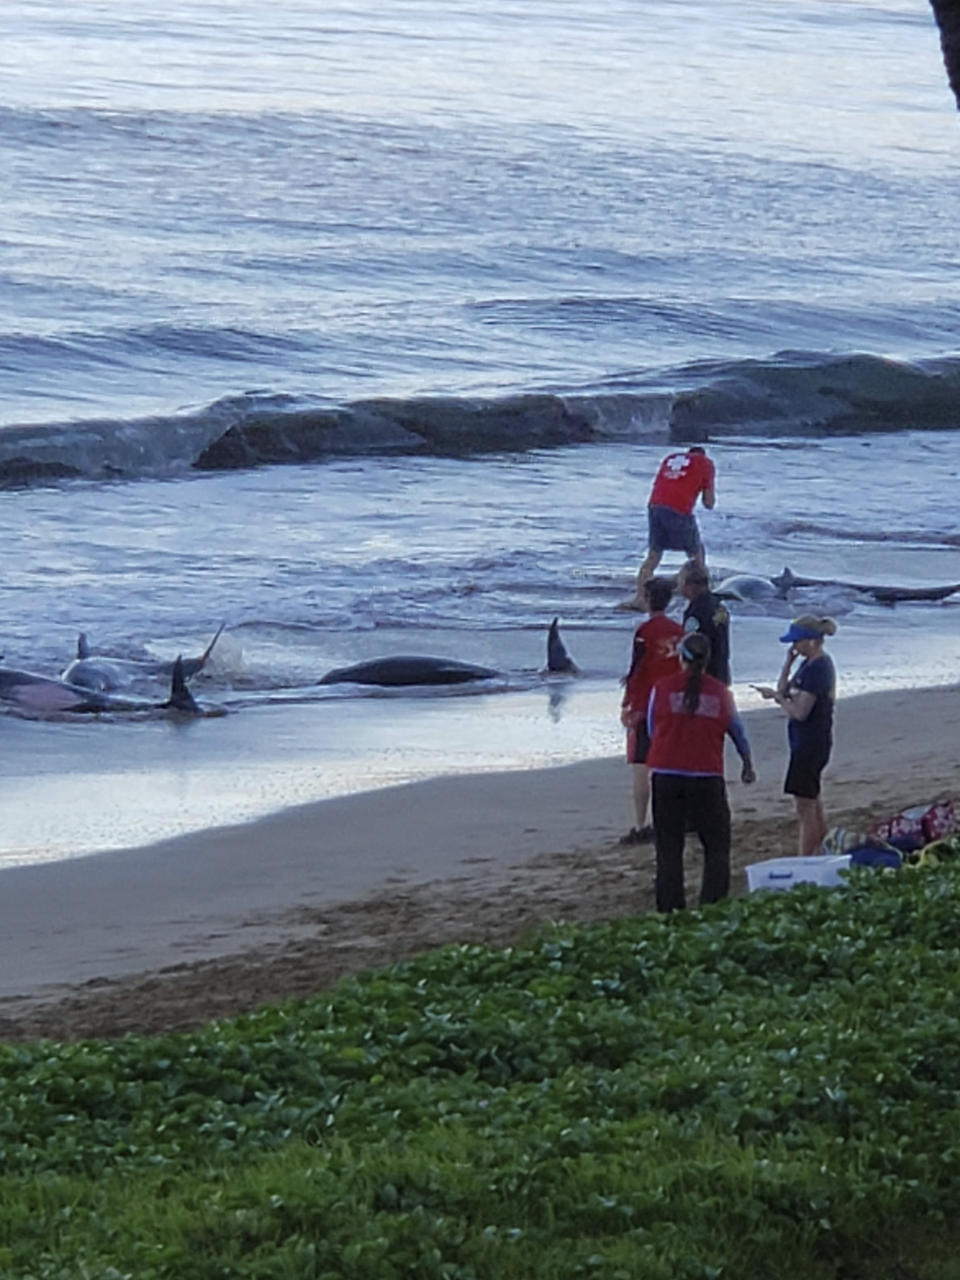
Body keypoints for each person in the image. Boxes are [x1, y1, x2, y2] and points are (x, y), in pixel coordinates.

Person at [646, 632, 755, 912]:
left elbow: (652, 728)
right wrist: (746, 762)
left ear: (681, 658)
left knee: (668, 849)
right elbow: (737, 732)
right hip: (706, 775)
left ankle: (670, 910)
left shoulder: (662, 688)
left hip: (667, 773)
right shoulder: (720, 693)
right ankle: (712, 905)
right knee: (716, 846)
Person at [755, 615, 837, 857]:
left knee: (805, 808)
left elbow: (800, 712)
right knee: (813, 800)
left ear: (811, 641)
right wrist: (787, 664)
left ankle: (807, 857)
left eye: (797, 642)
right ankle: (822, 850)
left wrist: (780, 700)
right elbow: (784, 690)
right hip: (805, 743)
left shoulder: (819, 669)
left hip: (810, 744)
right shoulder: (808, 664)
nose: (794, 647)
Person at [618, 576, 683, 844]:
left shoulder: (644, 633)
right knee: (666, 764)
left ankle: (640, 822)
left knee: (641, 765)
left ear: (646, 598)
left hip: (645, 704)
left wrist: (627, 704)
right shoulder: (679, 631)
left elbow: (637, 671)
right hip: (671, 703)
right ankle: (665, 819)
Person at [622, 445, 716, 608]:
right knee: (696, 554)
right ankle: (702, 598)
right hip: (678, 508)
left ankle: (641, 598)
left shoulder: (670, 458)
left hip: (655, 506)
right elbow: (708, 503)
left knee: (654, 555)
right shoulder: (705, 463)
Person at [679, 561, 731, 685]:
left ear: (688, 585)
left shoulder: (695, 613)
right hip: (721, 672)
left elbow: (692, 645)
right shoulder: (720, 607)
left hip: (703, 676)